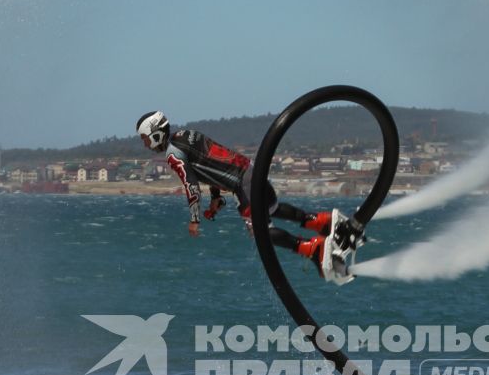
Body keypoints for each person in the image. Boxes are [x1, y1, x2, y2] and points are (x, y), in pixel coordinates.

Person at [134, 110, 360, 281]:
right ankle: (322, 222)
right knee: (272, 209)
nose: (146, 145)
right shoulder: (187, 135)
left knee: (260, 232)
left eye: (145, 139)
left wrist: (194, 219)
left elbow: (191, 185)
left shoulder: (174, 155)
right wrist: (215, 198)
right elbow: (208, 163)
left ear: (155, 134)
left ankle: (313, 248)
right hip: (252, 170)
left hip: (242, 182)